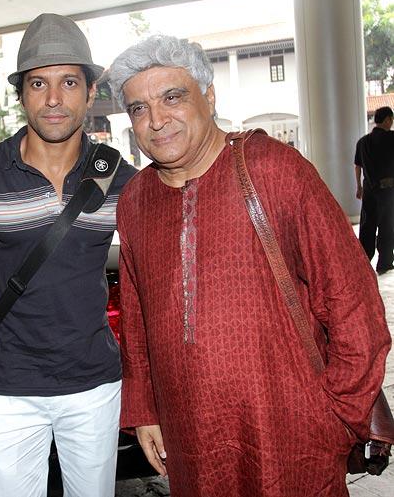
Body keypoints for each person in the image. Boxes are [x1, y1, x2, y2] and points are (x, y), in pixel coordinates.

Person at [108, 35, 391, 497]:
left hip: (292, 435)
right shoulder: (136, 200)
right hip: (191, 438)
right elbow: (137, 321)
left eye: (172, 97)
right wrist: (145, 410)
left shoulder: (273, 169)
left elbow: (354, 305)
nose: (157, 120)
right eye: (139, 108)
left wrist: (337, 413)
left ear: (209, 96)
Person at [0, 13, 136, 497]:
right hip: (6, 391)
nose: (52, 99)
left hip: (94, 387)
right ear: (21, 94)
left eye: (69, 82)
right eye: (38, 83)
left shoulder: (121, 179)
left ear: (90, 93)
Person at [354, 106, 394, 275]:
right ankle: (384, 263)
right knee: (387, 226)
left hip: (369, 191)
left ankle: (362, 262)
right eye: (391, 119)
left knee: (367, 227)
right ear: (387, 120)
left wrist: (359, 187)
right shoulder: (392, 138)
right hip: (388, 191)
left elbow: (357, 166)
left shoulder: (362, 142)